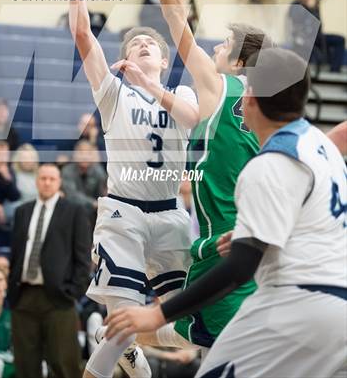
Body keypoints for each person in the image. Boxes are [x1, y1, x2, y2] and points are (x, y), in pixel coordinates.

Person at [106, 47, 347, 378]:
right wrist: (252, 235)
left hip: (298, 305)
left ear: (250, 100)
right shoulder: (321, 146)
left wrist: (157, 315)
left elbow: (238, 269)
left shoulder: (266, 166)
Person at [135, 0, 273, 350]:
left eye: (224, 43)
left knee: (167, 334)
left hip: (225, 248)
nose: (214, 46)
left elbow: (176, 19)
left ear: (237, 58)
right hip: (256, 243)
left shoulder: (216, 84)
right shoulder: (264, 103)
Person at [55, 0, 199, 378]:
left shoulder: (185, 94)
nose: (141, 45)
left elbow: (191, 120)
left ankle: (126, 339)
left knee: (193, 327)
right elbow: (83, 35)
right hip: (124, 212)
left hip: (171, 215)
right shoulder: (114, 92)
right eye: (134, 43)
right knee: (121, 326)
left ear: (164, 60)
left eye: (150, 44)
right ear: (126, 57)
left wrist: (152, 86)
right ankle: (119, 342)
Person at [8, 163, 91, 378]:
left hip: (58, 297)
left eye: (51, 179)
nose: (46, 182)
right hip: (23, 295)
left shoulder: (74, 211)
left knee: (63, 363)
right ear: (36, 181)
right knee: (26, 365)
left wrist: (73, 291)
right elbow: (16, 253)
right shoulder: (22, 212)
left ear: (59, 182)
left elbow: (83, 258)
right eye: (43, 178)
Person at [288, 0, 345, 72]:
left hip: (317, 37)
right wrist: (309, 8)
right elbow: (297, 19)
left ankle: (335, 70)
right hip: (304, 39)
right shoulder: (296, 5)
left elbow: (318, 24)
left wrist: (312, 8)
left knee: (339, 40)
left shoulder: (314, 5)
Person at [61, 139, 107, 226]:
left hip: (94, 214)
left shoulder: (98, 170)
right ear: (75, 155)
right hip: (72, 213)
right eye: (81, 152)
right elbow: (72, 195)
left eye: (88, 153)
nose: (84, 156)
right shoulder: (67, 170)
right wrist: (93, 203)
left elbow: (103, 193)